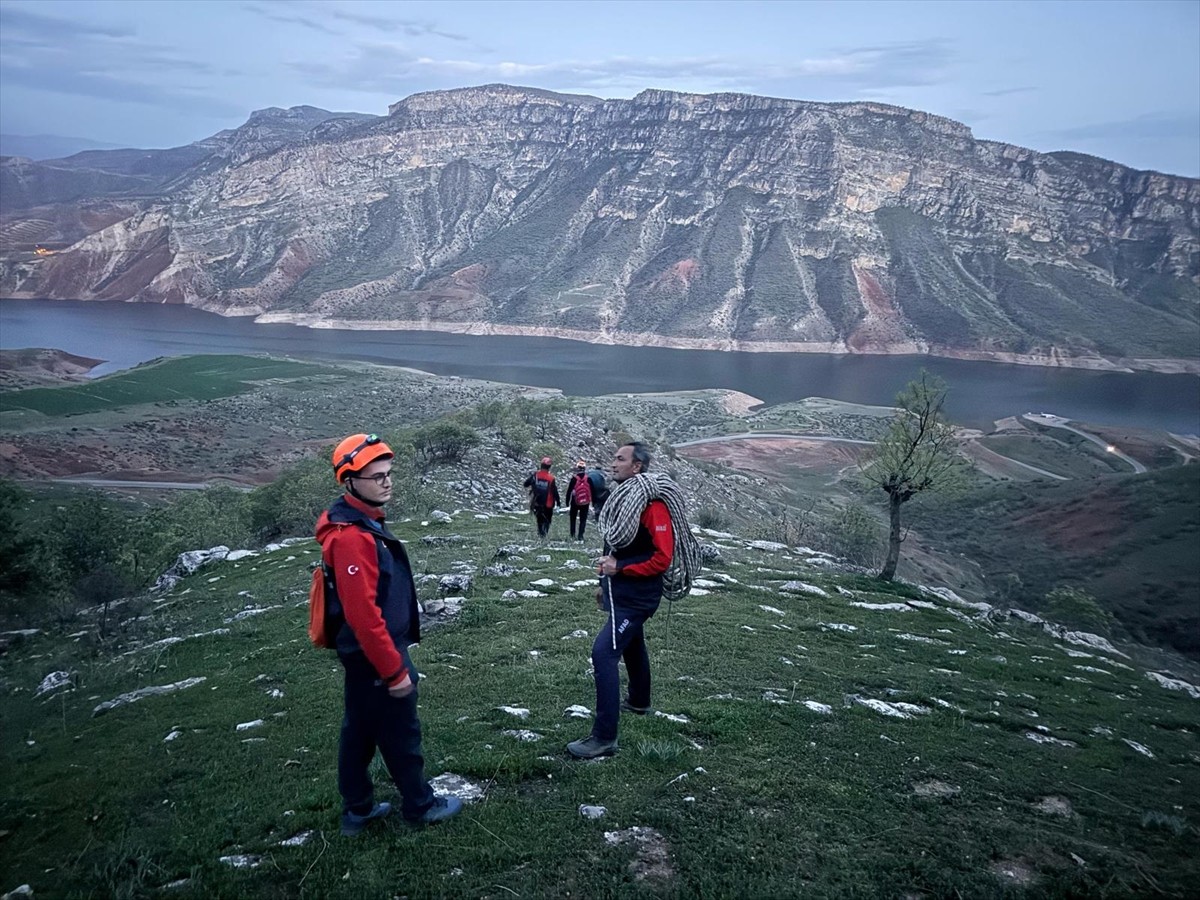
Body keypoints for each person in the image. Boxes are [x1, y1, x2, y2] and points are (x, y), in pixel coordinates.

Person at [315, 433, 463, 835]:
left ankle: (358, 808)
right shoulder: (352, 539)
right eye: (376, 476)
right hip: (374, 654)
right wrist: (394, 670)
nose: (386, 482)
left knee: (360, 728)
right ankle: (419, 804)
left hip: (365, 655)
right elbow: (364, 617)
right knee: (401, 731)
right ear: (349, 482)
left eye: (388, 474)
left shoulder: (363, 525)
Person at [567, 442, 674, 759]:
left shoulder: (652, 505)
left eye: (620, 459)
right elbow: (614, 548)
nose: (613, 463)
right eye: (613, 458)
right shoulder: (623, 501)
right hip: (622, 591)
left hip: (637, 598)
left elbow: (663, 558)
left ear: (637, 466)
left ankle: (604, 738)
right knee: (632, 642)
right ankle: (639, 702)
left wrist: (621, 568)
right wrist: (605, 580)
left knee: (603, 654)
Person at [523, 456, 560, 538]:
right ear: (549, 467)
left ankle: (540, 534)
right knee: (547, 520)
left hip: (537, 502)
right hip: (548, 503)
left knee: (539, 519)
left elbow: (525, 484)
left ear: (541, 465)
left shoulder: (535, 475)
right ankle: (544, 533)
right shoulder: (551, 478)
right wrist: (558, 502)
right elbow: (554, 491)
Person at [565, 459, 593, 542]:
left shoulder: (574, 479)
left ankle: (572, 534)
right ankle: (580, 536)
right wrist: (593, 501)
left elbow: (569, 491)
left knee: (573, 518)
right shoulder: (588, 479)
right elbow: (593, 491)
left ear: (577, 469)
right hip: (585, 502)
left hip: (575, 502)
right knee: (583, 519)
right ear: (585, 469)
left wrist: (567, 502)